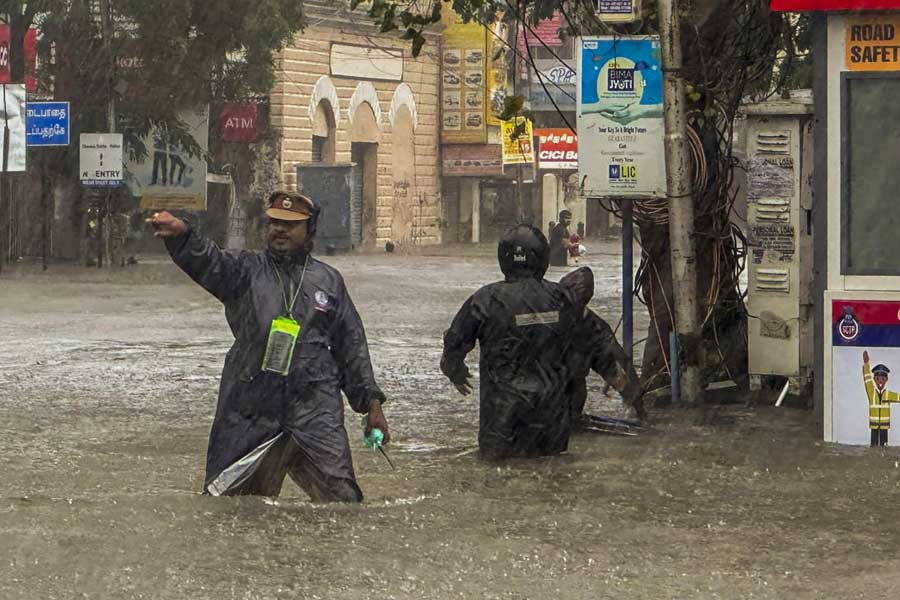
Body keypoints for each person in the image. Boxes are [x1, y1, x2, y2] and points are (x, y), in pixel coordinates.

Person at [147, 191, 389, 500]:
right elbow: (210, 261)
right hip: (251, 405)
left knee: (342, 504)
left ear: (309, 230)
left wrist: (371, 404)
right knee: (229, 504)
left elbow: (351, 345)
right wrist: (182, 237)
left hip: (314, 405)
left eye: (291, 224)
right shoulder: (244, 271)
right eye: (275, 222)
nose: (280, 230)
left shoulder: (329, 281)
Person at [440, 224, 590, 460]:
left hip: (501, 421)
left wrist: (455, 371)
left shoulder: (485, 299)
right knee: (553, 478)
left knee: (498, 485)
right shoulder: (563, 298)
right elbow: (586, 347)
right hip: (552, 419)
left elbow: (454, 342)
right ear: (543, 257)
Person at [560, 268, 644, 429]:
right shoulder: (590, 323)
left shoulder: (593, 326)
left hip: (568, 378)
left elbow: (618, 358)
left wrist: (634, 394)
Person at [862, 350, 900, 447]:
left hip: (884, 426)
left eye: (883, 379)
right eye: (878, 379)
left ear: (886, 380)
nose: (880, 381)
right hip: (874, 425)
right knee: (874, 446)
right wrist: (866, 364)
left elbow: (898, 397)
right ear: (874, 379)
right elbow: (867, 380)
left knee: (884, 446)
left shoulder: (888, 394)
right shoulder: (871, 393)